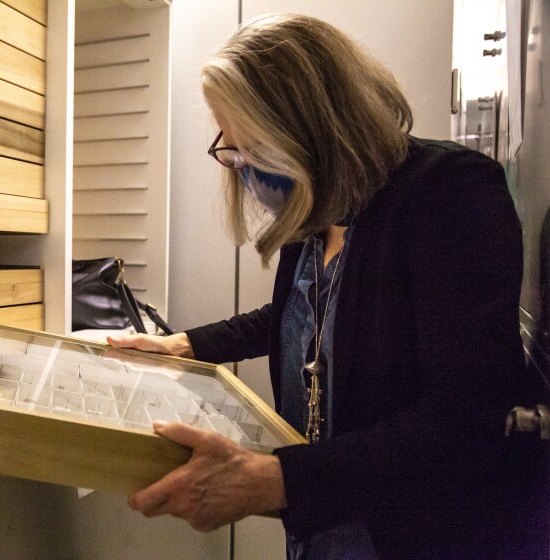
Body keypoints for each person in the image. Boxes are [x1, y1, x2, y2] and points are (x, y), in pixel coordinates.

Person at [107, 13, 549, 560]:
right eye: (229, 142)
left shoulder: (450, 193)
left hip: (414, 536)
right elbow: (296, 313)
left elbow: (464, 418)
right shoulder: (319, 208)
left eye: (249, 143)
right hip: (325, 524)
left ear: (307, 126)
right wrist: (184, 346)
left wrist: (270, 480)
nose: (236, 159)